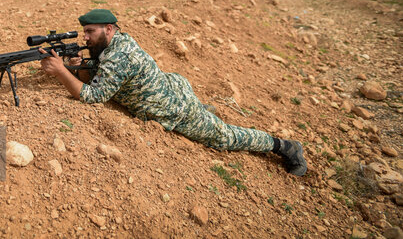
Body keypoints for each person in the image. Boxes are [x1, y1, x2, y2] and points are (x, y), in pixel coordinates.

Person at [39, 9, 308, 176]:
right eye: (84, 31)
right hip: (174, 86)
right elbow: (97, 75)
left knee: (224, 136)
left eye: (90, 32)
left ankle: (285, 147)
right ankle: (206, 112)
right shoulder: (116, 43)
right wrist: (75, 67)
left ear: (108, 29)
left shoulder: (118, 55)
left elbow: (92, 96)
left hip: (176, 111)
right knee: (205, 115)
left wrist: (62, 72)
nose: (85, 38)